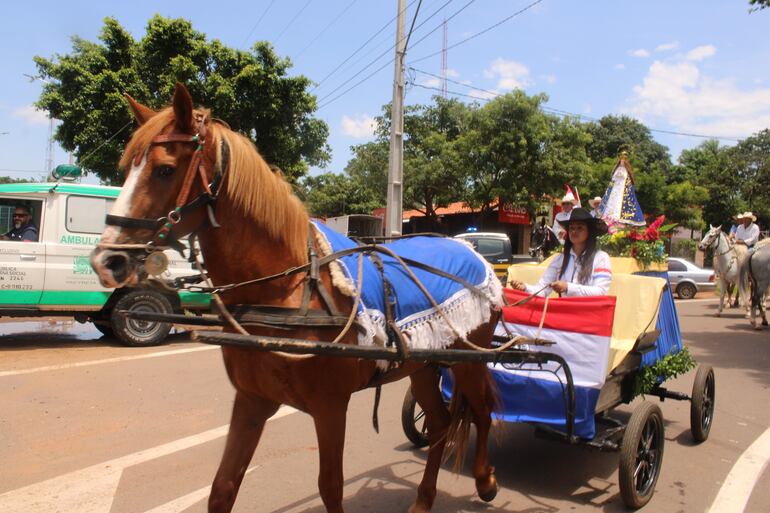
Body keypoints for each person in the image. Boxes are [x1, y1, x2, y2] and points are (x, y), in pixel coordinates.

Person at [511, 207, 612, 297]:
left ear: (589, 231)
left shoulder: (601, 258)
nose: (574, 231)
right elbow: (542, 290)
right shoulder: (559, 259)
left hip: (588, 315)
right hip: (564, 314)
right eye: (571, 228)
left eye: (580, 228)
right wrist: (525, 288)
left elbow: (601, 292)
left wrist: (568, 287)